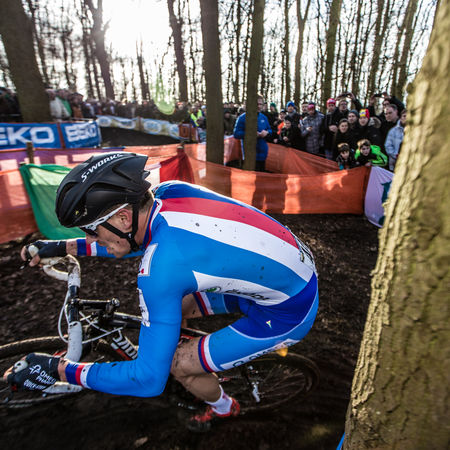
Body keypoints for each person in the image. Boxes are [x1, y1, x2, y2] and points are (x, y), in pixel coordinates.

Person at [4, 152, 319, 432]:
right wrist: (62, 247)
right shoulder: (169, 193)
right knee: (173, 306)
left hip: (287, 312)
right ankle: (183, 350)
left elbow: (148, 382)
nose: (90, 238)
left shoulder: (162, 270)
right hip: (285, 274)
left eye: (91, 230)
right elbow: (135, 241)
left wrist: (59, 370)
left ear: (123, 217)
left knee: (176, 366)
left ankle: (223, 406)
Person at [233, 94, 272, 171]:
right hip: (249, 154)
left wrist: (267, 133)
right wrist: (250, 134)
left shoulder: (264, 117)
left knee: (261, 175)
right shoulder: (242, 118)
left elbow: (270, 130)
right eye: (257, 104)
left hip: (263, 154)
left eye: (260, 104)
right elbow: (236, 134)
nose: (259, 106)